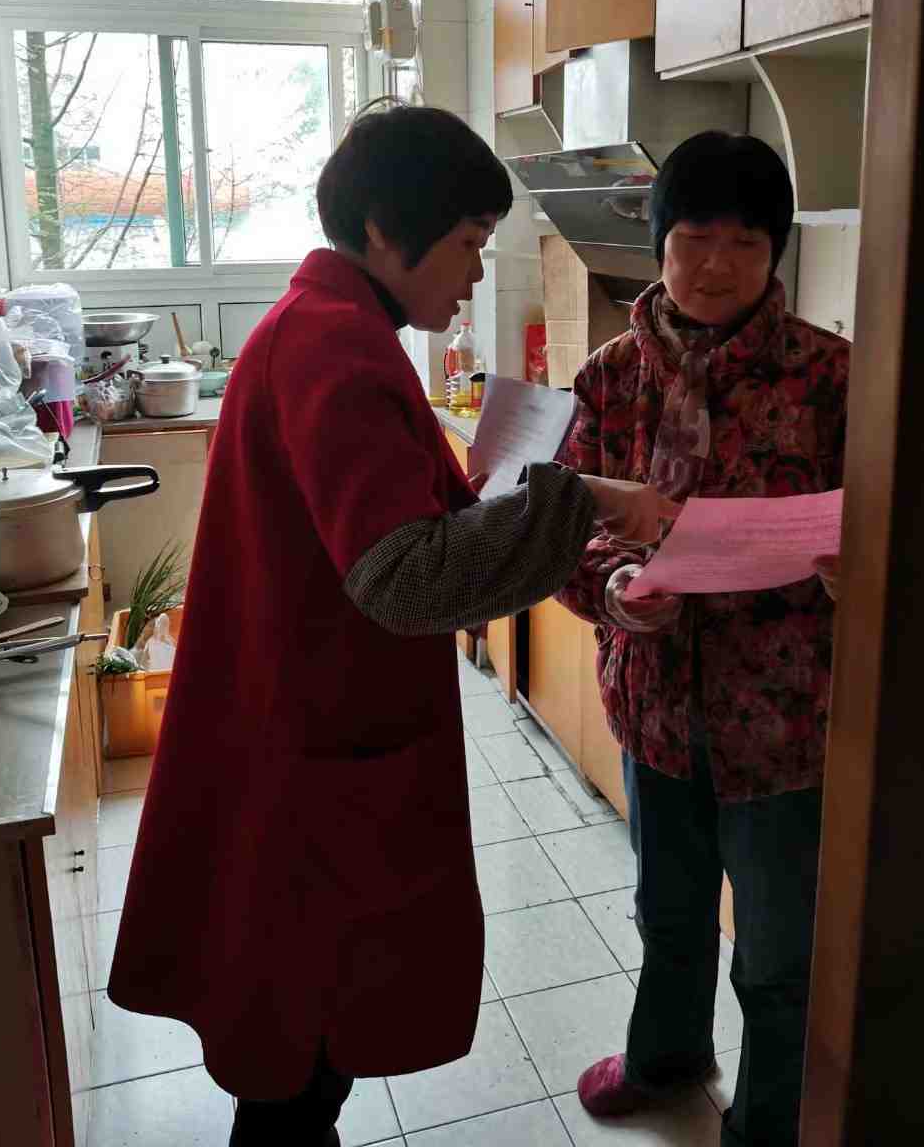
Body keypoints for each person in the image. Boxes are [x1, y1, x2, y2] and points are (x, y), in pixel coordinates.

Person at [107, 102, 672, 1147]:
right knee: (297, 1061)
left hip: (302, 734)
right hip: (315, 766)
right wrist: (583, 498)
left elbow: (385, 534)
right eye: (466, 243)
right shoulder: (335, 347)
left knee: (294, 1051)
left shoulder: (324, 326)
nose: (474, 276)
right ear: (381, 229)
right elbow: (405, 575)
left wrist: (509, 502)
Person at [557, 130, 849, 1147]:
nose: (716, 266)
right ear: (659, 242)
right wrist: (613, 587)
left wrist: (856, 569)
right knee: (668, 914)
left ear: (776, 251)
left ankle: (766, 1126)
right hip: (653, 708)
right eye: (693, 239)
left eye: (743, 243)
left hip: (785, 723)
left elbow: (889, 531)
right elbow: (564, 528)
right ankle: (666, 1060)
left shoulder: (833, 377)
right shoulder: (608, 377)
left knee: (778, 952)